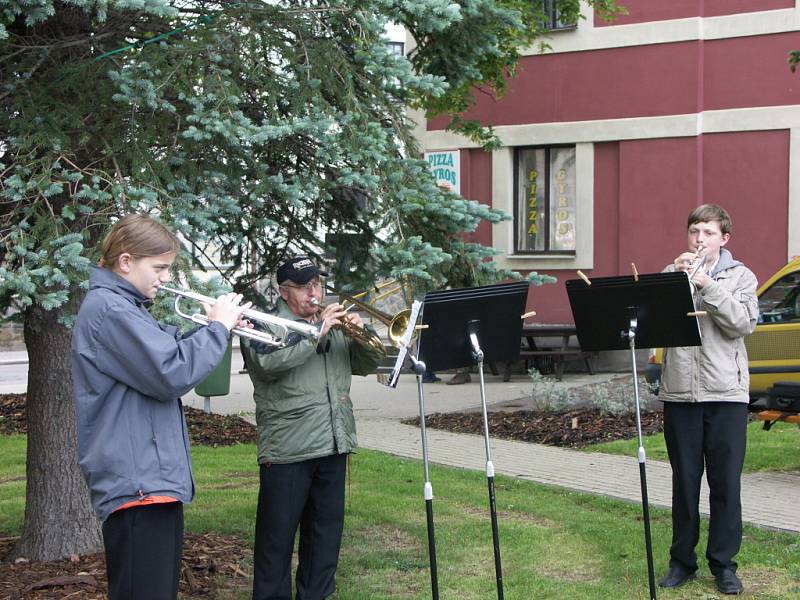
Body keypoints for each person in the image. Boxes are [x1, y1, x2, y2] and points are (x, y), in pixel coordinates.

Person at [71, 214, 250, 600]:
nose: (165, 278)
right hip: (137, 483)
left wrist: (209, 329)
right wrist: (218, 330)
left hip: (152, 480)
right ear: (125, 262)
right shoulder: (110, 310)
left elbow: (166, 354)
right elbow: (171, 372)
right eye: (160, 268)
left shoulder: (126, 309)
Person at [241, 256, 382, 600]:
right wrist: (316, 333)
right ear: (284, 292)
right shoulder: (264, 323)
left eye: (317, 284)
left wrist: (361, 331)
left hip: (333, 444)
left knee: (324, 542)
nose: (314, 292)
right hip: (288, 450)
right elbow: (268, 363)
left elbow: (369, 362)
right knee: (276, 546)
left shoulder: (329, 324)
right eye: (304, 287)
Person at [658, 204, 758, 595]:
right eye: (694, 232)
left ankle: (724, 565)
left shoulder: (741, 276)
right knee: (684, 482)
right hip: (681, 393)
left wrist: (705, 283)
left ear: (724, 239)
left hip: (727, 394)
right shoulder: (672, 273)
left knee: (725, 484)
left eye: (708, 233)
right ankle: (682, 561)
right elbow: (657, 320)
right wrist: (676, 278)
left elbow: (742, 323)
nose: (699, 240)